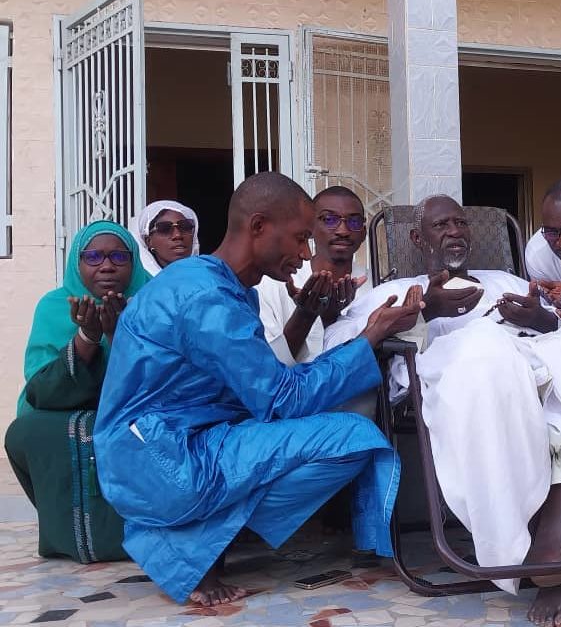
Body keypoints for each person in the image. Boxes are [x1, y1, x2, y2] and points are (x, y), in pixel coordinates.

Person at [323, 195, 561, 627]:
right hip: (466, 374)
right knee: (484, 345)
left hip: (542, 366)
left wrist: (542, 319)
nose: (455, 230)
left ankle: (557, 537)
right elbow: (341, 347)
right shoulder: (394, 292)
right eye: (442, 225)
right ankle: (547, 561)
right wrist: (423, 313)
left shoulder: (507, 279)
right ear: (418, 239)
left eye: (461, 222)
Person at [93, 172, 422, 607]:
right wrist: (370, 336)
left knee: (346, 433)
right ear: (259, 226)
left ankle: (199, 540)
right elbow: (283, 399)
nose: (306, 254)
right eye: (301, 238)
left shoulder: (226, 288)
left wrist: (327, 322)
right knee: (355, 439)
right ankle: (189, 543)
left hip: (189, 441)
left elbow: (263, 389)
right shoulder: (205, 296)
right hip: (159, 457)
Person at [5, 221, 149, 563]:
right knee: (28, 432)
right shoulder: (54, 307)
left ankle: (148, 535)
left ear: (134, 262)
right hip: (65, 408)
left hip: (140, 410)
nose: (107, 265)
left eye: (118, 255)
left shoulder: (154, 299)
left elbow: (167, 376)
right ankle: (67, 537)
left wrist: (117, 337)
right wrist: (87, 336)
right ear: (77, 263)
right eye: (94, 256)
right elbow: (40, 386)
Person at [256, 186, 371, 366]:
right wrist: (307, 313)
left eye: (354, 222)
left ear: (363, 233)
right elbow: (267, 368)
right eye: (329, 219)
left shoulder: (377, 285)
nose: (343, 230)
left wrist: (332, 319)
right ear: (310, 228)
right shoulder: (274, 284)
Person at [131, 200, 201, 275]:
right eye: (164, 228)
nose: (177, 235)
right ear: (149, 241)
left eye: (185, 226)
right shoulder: (141, 284)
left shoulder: (208, 278)